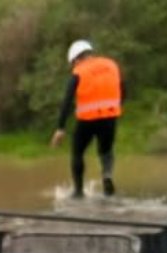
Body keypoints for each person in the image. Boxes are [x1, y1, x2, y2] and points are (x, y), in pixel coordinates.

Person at [50, 39, 124, 198]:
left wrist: (60, 128)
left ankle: (78, 191)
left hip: (87, 120)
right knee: (106, 151)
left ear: (76, 59)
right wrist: (118, 107)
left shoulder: (78, 72)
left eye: (72, 63)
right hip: (110, 117)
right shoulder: (111, 65)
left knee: (77, 152)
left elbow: (67, 101)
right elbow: (123, 87)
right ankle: (107, 176)